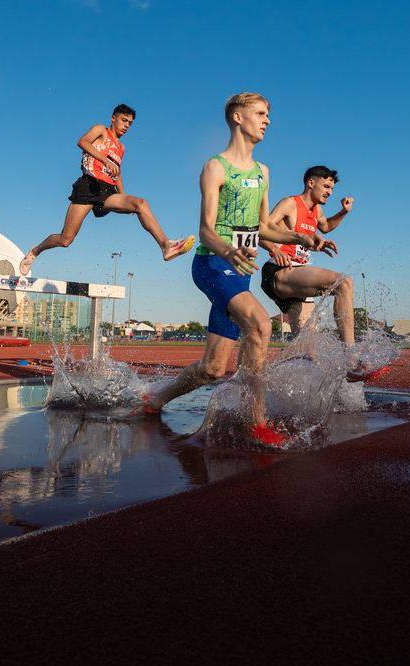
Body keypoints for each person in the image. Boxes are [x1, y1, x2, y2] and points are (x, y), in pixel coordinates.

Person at [142, 93, 332, 448]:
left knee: (213, 369)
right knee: (261, 325)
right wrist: (229, 250)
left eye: (268, 115)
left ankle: (154, 398)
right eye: (260, 114)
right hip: (213, 263)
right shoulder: (215, 167)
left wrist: (305, 239)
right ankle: (254, 421)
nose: (268, 121)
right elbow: (205, 231)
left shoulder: (263, 172)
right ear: (237, 117)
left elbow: (264, 228)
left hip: (240, 271)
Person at [18, 104, 195, 276]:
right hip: (88, 187)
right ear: (113, 118)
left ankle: (166, 246)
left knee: (140, 204)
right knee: (66, 240)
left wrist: (124, 196)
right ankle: (36, 250)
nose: (126, 126)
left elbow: (117, 173)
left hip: (108, 191)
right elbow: (82, 142)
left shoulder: (122, 147)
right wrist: (104, 160)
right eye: (124, 120)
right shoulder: (101, 130)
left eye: (130, 123)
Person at [259, 166, 384, 382]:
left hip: (298, 281)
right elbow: (262, 229)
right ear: (311, 183)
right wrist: (276, 249)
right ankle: (351, 359)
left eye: (332, 188)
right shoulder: (290, 203)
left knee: (310, 352)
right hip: (279, 272)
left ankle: (271, 378)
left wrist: (344, 212)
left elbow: (325, 227)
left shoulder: (316, 211)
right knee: (343, 283)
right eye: (326, 186)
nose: (330, 192)